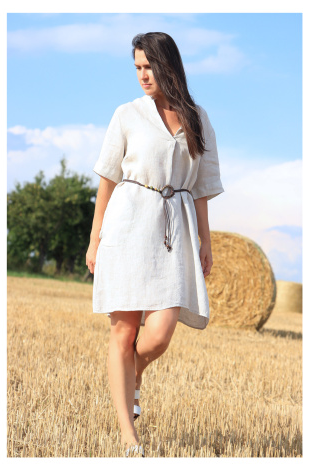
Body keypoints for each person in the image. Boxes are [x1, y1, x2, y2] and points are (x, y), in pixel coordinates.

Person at [86, 32, 224, 457]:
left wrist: (205, 239)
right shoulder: (127, 114)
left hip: (175, 228)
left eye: (149, 67)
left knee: (159, 334)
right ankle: (129, 437)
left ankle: (134, 370)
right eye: (138, 68)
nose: (143, 75)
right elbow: (107, 179)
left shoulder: (198, 119)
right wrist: (95, 238)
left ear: (169, 66)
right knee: (124, 331)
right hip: (127, 224)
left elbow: (202, 187)